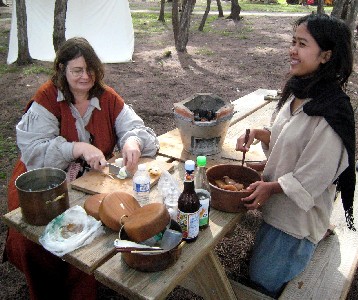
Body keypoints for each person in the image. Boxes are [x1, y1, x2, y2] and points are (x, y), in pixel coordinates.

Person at [3, 37, 159, 299]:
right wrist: (76, 148)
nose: (85, 76)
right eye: (77, 70)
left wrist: (132, 140)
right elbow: (34, 150)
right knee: (35, 241)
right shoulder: (46, 98)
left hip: (91, 182)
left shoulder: (107, 97)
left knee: (90, 238)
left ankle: (81, 290)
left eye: (91, 69)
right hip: (43, 183)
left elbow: (135, 127)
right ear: (62, 69)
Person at [236, 14, 355, 298]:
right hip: (278, 209)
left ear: (326, 55)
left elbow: (312, 177)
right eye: (293, 42)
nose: (292, 50)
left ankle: (312, 241)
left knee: (260, 280)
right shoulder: (300, 91)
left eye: (302, 44)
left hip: (296, 222)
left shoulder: (331, 112)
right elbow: (290, 137)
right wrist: (261, 133)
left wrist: (271, 186)